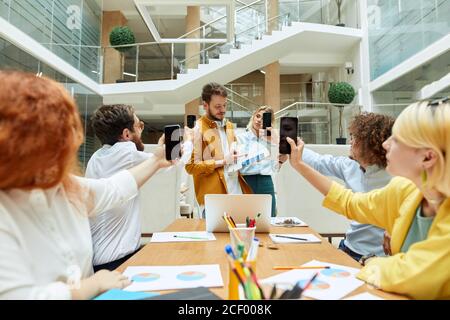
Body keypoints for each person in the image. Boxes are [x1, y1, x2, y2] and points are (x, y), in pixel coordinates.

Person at [0, 70, 173, 299]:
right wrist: (92, 285)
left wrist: (157, 160)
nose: (72, 142)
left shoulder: (63, 186)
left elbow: (113, 190)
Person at [286, 99, 450, 299]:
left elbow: (413, 275)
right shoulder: (405, 190)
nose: (385, 144)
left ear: (428, 158)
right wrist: (298, 164)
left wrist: (372, 262)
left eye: (397, 139)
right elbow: (350, 202)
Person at [301, 112, 395, 261]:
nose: (350, 142)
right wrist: (295, 148)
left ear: (371, 144)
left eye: (355, 138)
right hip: (348, 248)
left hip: (380, 258)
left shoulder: (396, 175)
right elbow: (319, 162)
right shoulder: (349, 165)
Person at [86, 105, 168, 272]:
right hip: (118, 260)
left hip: (99, 257)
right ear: (126, 134)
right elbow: (168, 162)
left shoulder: (97, 157)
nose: (141, 130)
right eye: (139, 126)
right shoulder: (126, 151)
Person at [185, 82, 252, 212]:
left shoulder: (230, 126)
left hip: (237, 194)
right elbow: (191, 167)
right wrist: (223, 162)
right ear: (205, 105)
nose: (223, 110)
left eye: (225, 105)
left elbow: (232, 156)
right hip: (213, 200)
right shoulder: (196, 129)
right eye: (217, 106)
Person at [237, 106, 287, 217]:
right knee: (246, 216)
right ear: (253, 117)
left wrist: (281, 159)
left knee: (269, 216)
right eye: (257, 116)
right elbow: (238, 163)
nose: (259, 120)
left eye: (264, 118)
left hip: (266, 180)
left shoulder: (271, 140)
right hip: (246, 180)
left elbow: (276, 166)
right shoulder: (241, 138)